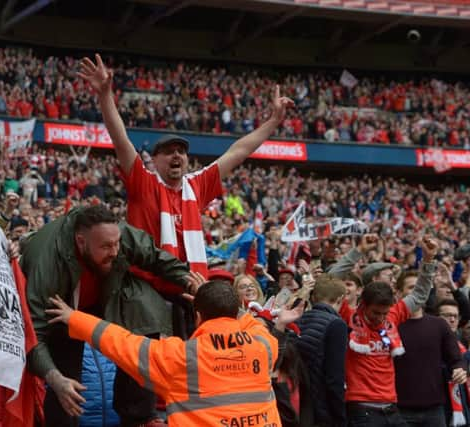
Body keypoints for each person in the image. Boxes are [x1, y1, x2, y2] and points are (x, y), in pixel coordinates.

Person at [78, 54, 293, 338]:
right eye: (168, 151)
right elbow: (120, 140)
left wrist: (273, 122)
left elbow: (238, 152)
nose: (177, 155)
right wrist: (105, 95)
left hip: (191, 290)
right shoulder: (144, 183)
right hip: (148, 290)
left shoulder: (196, 185)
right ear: (153, 161)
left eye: (181, 151)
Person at [20, 205, 200, 427]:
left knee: (143, 307)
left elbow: (155, 257)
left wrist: (191, 283)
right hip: (61, 308)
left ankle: (140, 418)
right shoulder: (45, 260)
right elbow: (33, 331)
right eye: (106, 246)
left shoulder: (114, 234)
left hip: (109, 294)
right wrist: (54, 378)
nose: (115, 252)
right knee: (65, 377)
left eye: (117, 243)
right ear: (81, 241)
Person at [45, 280, 304, 426]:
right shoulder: (262, 344)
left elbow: (121, 342)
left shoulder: (181, 357)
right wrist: (222, 304)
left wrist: (74, 318)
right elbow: (252, 323)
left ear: (198, 316)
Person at [339, 236, 439, 427]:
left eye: (384, 313)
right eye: (376, 312)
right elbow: (331, 280)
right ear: (364, 305)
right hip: (362, 409)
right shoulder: (349, 316)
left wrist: (428, 260)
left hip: (392, 407)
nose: (380, 318)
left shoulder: (392, 315)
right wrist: (358, 249)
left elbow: (419, 295)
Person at [394, 269, 466, 427]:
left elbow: (456, 359)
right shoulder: (390, 325)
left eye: (421, 287)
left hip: (435, 410)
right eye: (412, 287)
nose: (418, 292)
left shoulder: (439, 324)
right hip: (399, 410)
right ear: (399, 292)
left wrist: (459, 370)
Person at [296, 275, 348, 427]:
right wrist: (340, 417)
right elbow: (334, 377)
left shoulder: (300, 318)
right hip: (322, 408)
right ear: (340, 299)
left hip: (302, 404)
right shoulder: (336, 324)